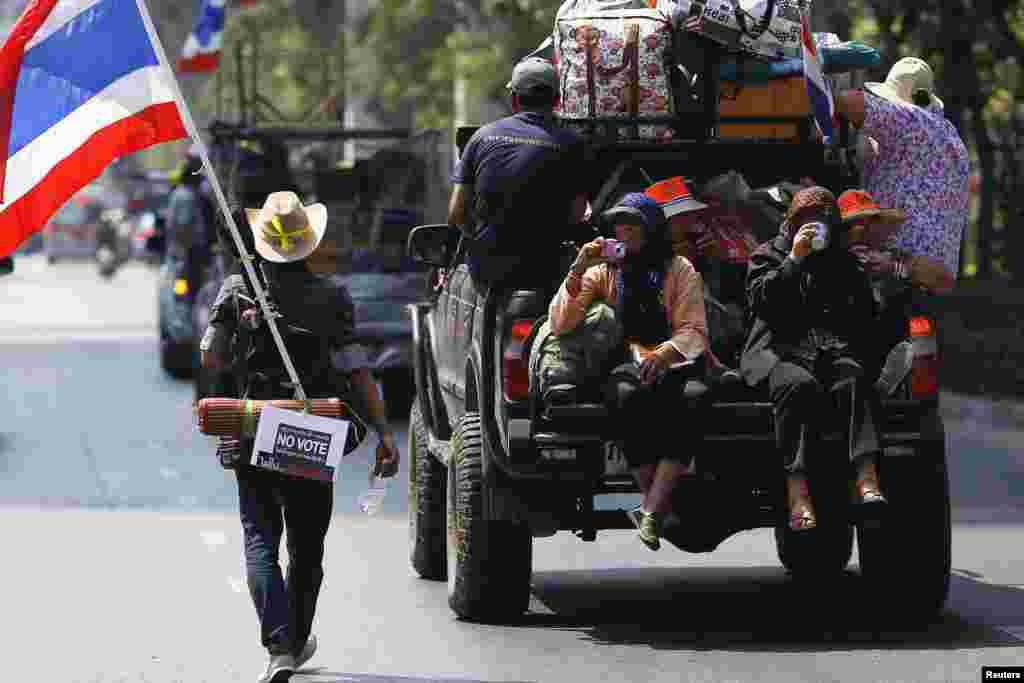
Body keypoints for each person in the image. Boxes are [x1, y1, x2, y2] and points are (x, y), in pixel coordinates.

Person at [199, 191, 401, 683]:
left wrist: (236, 325)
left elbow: (210, 357)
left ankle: (279, 648)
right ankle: (291, 641)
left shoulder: (236, 289)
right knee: (308, 550)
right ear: (306, 245)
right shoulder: (332, 297)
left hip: (254, 426)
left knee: (260, 540)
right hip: (313, 429)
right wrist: (383, 434)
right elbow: (358, 373)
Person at [549, 192, 708, 550]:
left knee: (695, 398)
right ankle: (656, 506)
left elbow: (693, 329)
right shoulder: (603, 271)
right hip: (626, 363)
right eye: (620, 224)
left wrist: (664, 353)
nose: (624, 231)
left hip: (674, 361)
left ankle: (650, 508)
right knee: (625, 396)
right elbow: (560, 321)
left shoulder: (678, 269)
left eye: (633, 224)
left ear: (651, 229)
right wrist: (578, 267)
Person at [741, 187, 886, 534]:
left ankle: (866, 476)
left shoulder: (841, 259)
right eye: (805, 221)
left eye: (821, 221)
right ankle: (798, 492)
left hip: (830, 353)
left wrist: (845, 271)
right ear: (791, 224)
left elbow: (865, 315)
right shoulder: (768, 255)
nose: (813, 227)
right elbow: (763, 302)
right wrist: (794, 260)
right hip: (780, 353)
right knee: (798, 387)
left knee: (852, 378)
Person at [448, 57, 591, 288]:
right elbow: (577, 214)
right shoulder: (574, 144)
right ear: (556, 100)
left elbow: (456, 213)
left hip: (488, 269)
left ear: (514, 100)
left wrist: (480, 238)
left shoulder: (482, 137)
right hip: (547, 268)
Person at [834, 57, 969, 295]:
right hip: (936, 276)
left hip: (894, 264)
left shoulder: (909, 119)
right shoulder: (951, 137)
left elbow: (847, 102)